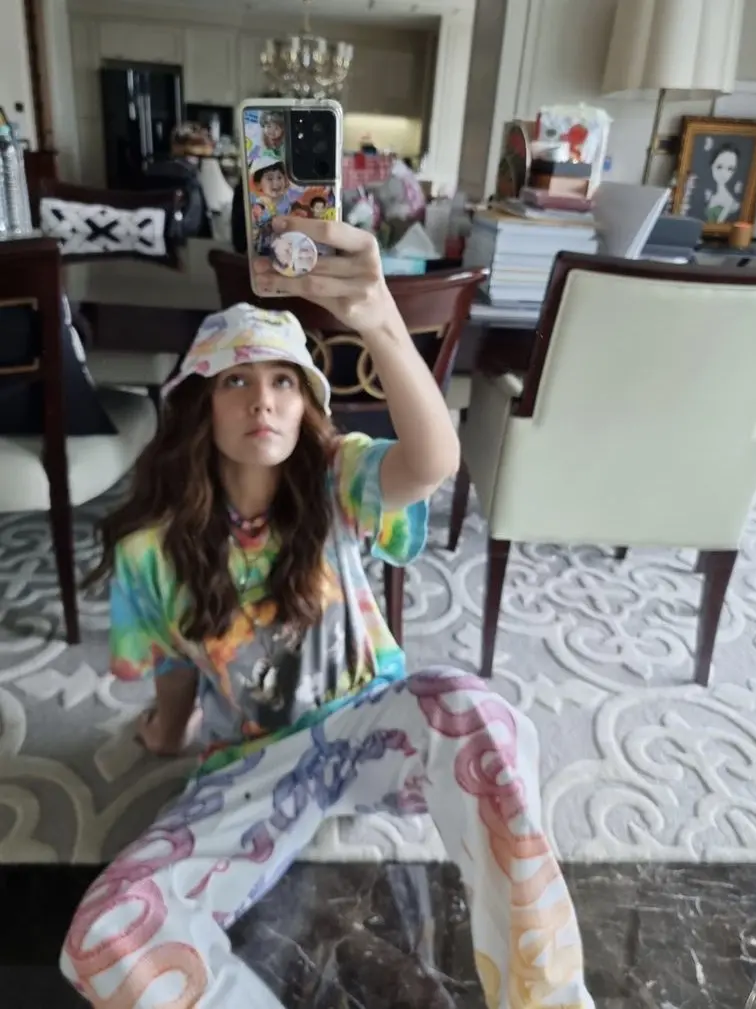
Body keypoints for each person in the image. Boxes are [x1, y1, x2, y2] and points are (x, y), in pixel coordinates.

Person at [59, 217, 594, 1009]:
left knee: (477, 709)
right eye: (236, 381)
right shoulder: (151, 550)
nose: (263, 399)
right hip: (252, 767)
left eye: (284, 381)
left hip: (372, 728)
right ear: (200, 403)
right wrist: (165, 735)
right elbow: (174, 671)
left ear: (307, 401)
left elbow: (434, 462)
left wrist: (378, 318)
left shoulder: (338, 475)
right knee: (106, 935)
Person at [705, 143, 741, 224]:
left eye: (730, 169)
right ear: (712, 165)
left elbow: (717, 226)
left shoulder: (728, 201)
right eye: (719, 167)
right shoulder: (709, 194)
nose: (724, 174)